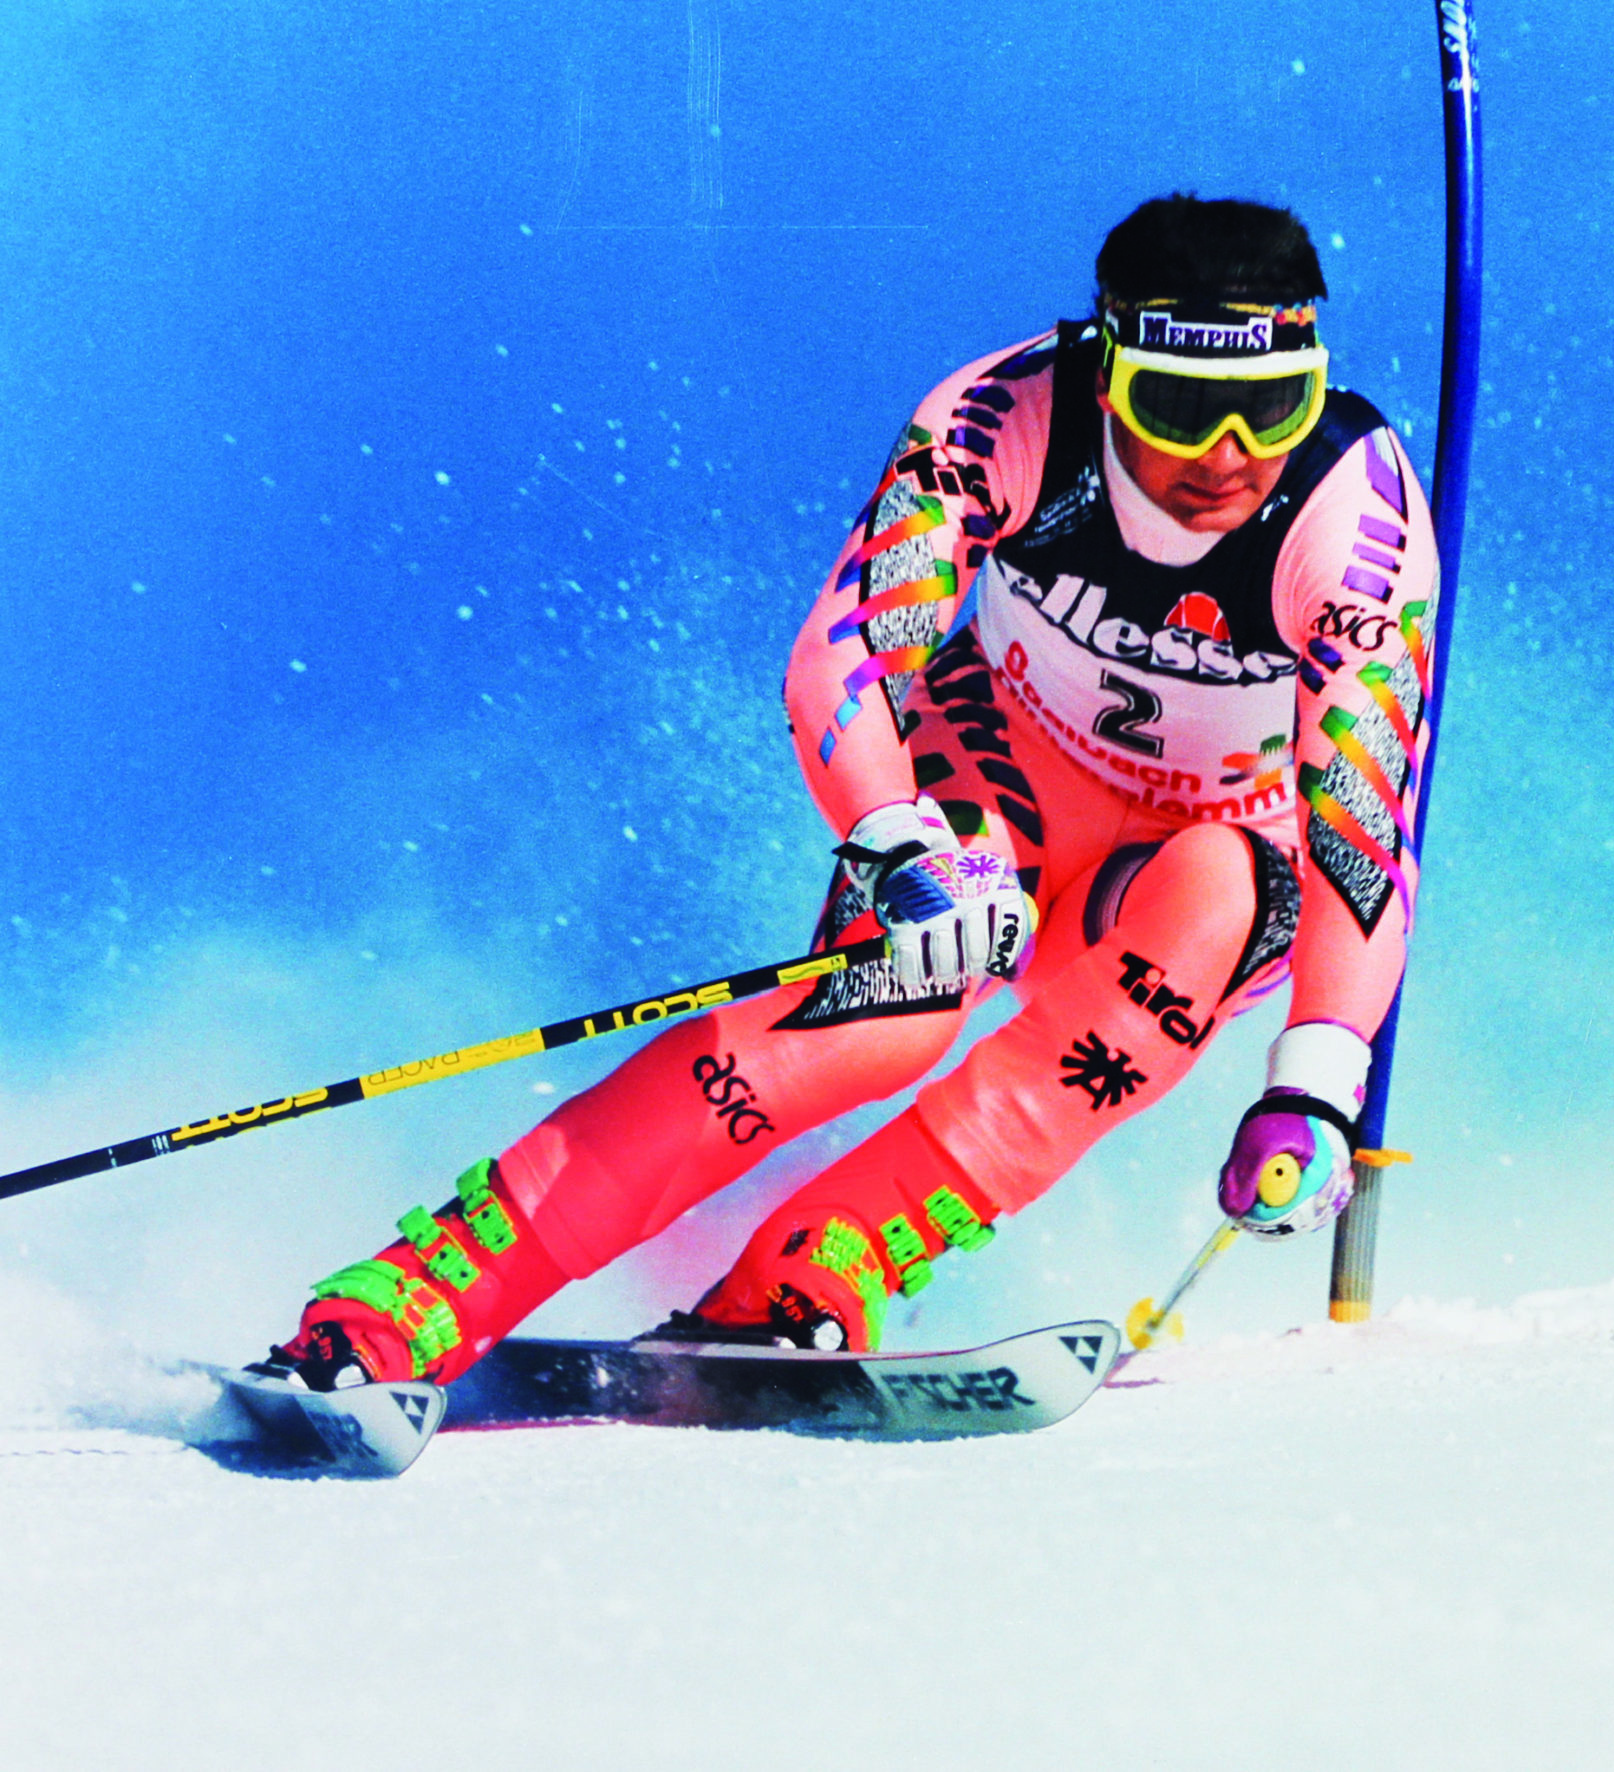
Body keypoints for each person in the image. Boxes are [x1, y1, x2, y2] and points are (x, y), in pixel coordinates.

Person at [260, 193, 1439, 1389]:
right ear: (1106, 366)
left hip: (1217, 839)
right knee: (887, 1014)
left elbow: (1362, 821)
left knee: (1210, 913)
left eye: (1271, 405)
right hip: (1007, 768)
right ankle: (430, 1287)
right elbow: (845, 654)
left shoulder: (1355, 521)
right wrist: (897, 849)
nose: (1226, 456)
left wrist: (1317, 1081)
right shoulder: (1004, 421)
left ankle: (813, 1268)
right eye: (1179, 407)